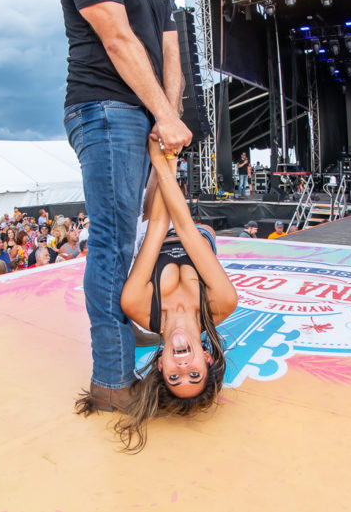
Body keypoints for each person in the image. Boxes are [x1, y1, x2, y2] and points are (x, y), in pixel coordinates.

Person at [61, 0, 192, 410]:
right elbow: (118, 41)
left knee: (125, 237)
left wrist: (169, 116)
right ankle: (111, 383)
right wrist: (163, 114)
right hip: (103, 108)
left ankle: (119, 342)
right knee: (114, 243)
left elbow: (172, 57)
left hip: (141, 115)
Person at [76, 139, 237, 451]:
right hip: (194, 234)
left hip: (159, 232)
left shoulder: (137, 306)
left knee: (149, 217)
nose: (182, 368)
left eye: (175, 378)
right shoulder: (221, 304)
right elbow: (186, 228)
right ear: (206, 358)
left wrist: (163, 159)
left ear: (161, 365)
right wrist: (166, 159)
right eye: (194, 374)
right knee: (202, 232)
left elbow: (160, 225)